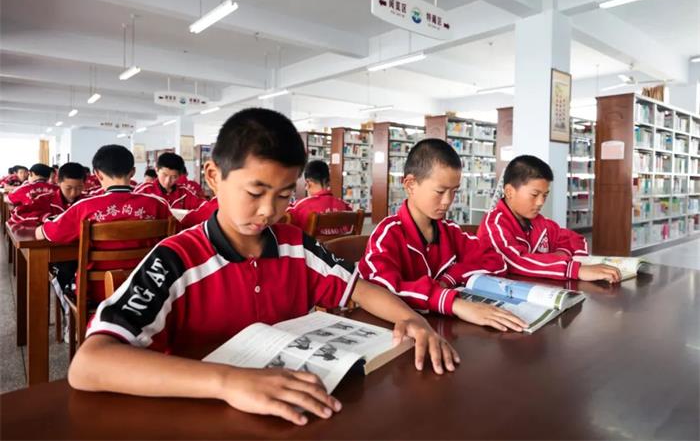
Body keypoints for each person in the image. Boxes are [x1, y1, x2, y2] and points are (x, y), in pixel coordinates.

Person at [68, 108, 459, 426]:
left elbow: (359, 288)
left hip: (288, 411)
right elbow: (88, 363)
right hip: (200, 414)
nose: (268, 211)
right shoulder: (174, 259)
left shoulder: (295, 246)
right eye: (255, 192)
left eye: (285, 195)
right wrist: (229, 382)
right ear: (213, 177)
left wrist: (411, 319)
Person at [358, 139, 526, 332]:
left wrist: (451, 277)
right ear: (410, 185)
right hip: (398, 333)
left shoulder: (450, 231)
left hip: (442, 330)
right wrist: (451, 302)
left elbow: (496, 262)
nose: (447, 201)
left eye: (454, 191)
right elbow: (378, 290)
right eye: (440, 191)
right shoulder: (387, 234)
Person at [36, 145, 172, 304]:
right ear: (133, 172)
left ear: (97, 174)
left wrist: (41, 227)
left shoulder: (84, 207)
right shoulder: (158, 205)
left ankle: (78, 319)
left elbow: (48, 234)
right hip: (146, 288)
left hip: (95, 292)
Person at [478, 155, 621, 283]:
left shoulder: (539, 222)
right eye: (534, 195)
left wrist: (571, 257)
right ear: (509, 192)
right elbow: (516, 261)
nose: (541, 202)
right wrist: (574, 269)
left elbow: (575, 239)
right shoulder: (494, 226)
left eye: (545, 195)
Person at [286, 160, 354, 235]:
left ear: (308, 183)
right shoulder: (344, 206)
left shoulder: (300, 206)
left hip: (311, 243)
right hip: (340, 243)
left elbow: (286, 219)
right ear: (328, 183)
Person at [8, 162, 85, 228]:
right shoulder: (44, 200)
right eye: (68, 188)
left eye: (79, 188)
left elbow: (9, 199)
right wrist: (46, 217)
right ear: (58, 182)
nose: (73, 193)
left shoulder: (87, 201)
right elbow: (17, 215)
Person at [134, 153, 205, 209]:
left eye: (174, 177)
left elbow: (202, 207)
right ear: (157, 170)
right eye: (164, 175)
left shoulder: (184, 193)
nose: (167, 181)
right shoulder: (144, 191)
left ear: (180, 175)